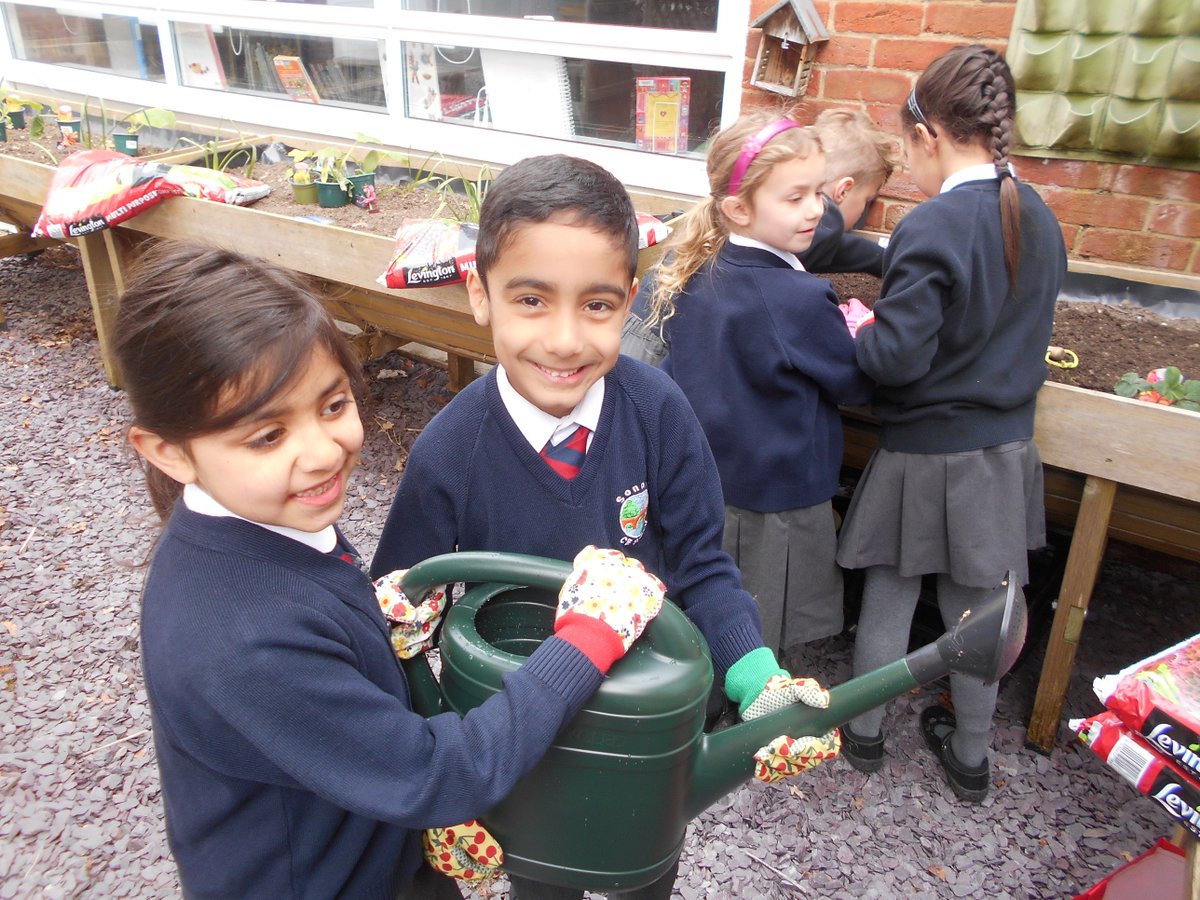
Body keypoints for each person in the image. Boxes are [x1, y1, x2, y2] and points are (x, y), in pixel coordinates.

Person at [115, 241, 668, 899]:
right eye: (267, 436)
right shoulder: (240, 642)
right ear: (169, 452)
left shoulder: (270, 522)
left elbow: (330, 688)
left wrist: (370, 618)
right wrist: (587, 638)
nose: (322, 452)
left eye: (332, 406)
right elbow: (436, 775)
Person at [371, 154, 840, 900]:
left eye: (596, 306)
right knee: (541, 884)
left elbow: (705, 569)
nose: (564, 340)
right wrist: (439, 783)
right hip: (519, 737)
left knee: (642, 875)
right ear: (479, 295)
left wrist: (759, 682)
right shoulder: (449, 453)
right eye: (530, 299)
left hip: (644, 730)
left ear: (631, 301)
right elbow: (399, 621)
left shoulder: (658, 413)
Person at [835, 44, 1067, 803]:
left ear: (928, 133)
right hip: (1001, 454)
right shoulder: (1037, 215)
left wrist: (859, 327)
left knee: (891, 600)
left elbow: (895, 361)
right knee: (982, 613)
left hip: (924, 451)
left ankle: (863, 740)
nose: (910, 165)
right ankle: (971, 757)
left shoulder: (932, 225)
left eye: (907, 149)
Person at [644, 112, 875, 660]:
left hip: (708, 483)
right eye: (795, 198)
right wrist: (861, 329)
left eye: (818, 192)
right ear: (739, 209)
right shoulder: (795, 298)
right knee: (759, 624)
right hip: (777, 498)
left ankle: (699, 699)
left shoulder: (695, 264)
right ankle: (753, 715)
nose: (816, 209)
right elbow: (857, 380)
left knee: (707, 608)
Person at [798, 107, 900, 277]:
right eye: (866, 200)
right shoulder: (827, 217)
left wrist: (883, 259)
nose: (863, 209)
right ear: (843, 191)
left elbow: (846, 250)